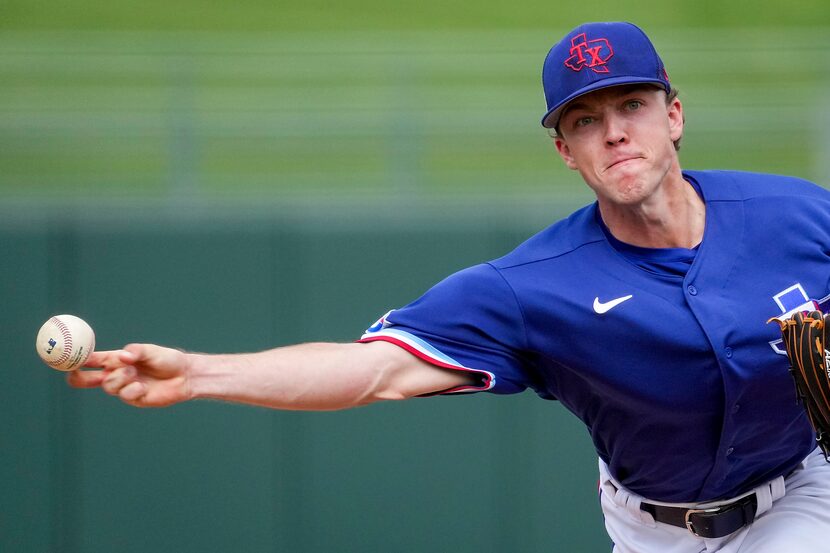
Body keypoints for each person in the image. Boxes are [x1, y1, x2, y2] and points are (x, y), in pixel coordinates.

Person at [68, 21, 830, 552]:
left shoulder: (795, 215)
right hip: (651, 531)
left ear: (675, 114)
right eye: (586, 119)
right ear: (566, 151)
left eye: (631, 104)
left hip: (802, 494)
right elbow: (373, 369)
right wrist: (201, 372)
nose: (615, 132)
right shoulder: (533, 288)